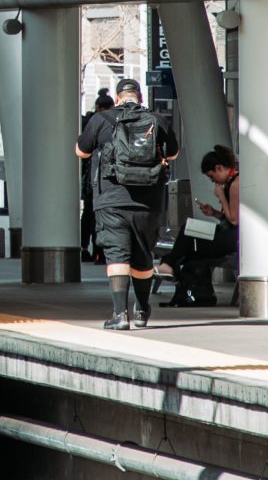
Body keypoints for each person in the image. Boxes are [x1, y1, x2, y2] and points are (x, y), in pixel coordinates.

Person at [77, 76, 177, 330]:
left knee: (117, 254)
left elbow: (81, 151)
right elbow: (173, 153)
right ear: (140, 97)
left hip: (111, 199)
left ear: (118, 97)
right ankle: (142, 309)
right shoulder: (157, 120)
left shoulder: (102, 120)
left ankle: (120, 314)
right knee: (143, 255)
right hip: (149, 201)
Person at [162, 147, 238, 306]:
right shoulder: (231, 182)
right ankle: (183, 286)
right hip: (229, 234)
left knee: (188, 235)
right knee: (188, 231)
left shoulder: (235, 184)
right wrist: (214, 213)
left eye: (213, 177)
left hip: (233, 239)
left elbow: (235, 220)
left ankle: (168, 264)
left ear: (219, 168)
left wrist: (221, 196)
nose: (215, 182)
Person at [79, 88, 113, 260]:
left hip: (91, 175)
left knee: (89, 213)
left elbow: (82, 148)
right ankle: (99, 249)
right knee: (103, 214)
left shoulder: (91, 121)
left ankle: (84, 248)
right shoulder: (116, 121)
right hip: (109, 177)